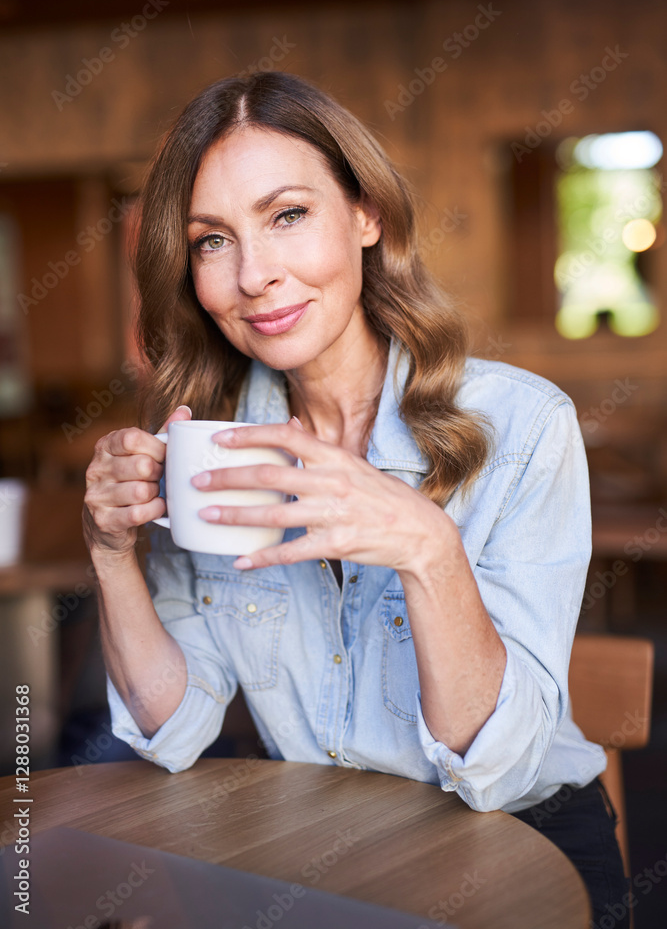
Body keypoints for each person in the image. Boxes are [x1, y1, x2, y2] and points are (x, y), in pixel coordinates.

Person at [83, 71, 628, 926]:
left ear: (365, 215)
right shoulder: (209, 448)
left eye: (287, 215)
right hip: (319, 846)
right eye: (211, 240)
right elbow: (177, 726)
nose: (254, 275)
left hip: (521, 843)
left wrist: (427, 549)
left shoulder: (522, 427)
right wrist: (113, 554)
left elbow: (503, 769)